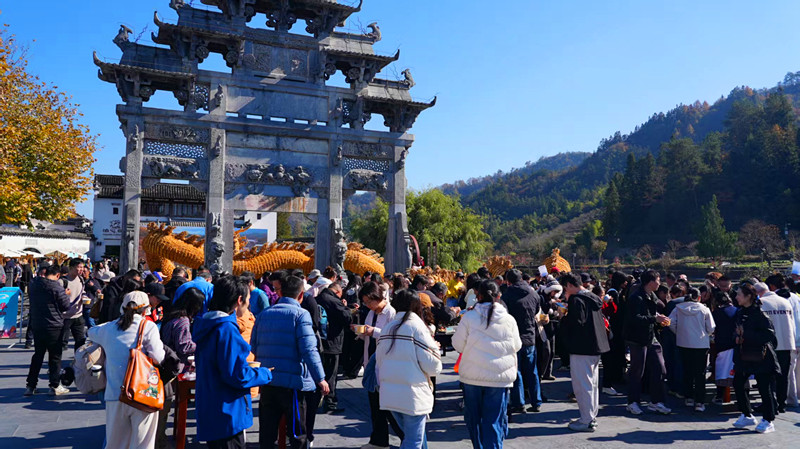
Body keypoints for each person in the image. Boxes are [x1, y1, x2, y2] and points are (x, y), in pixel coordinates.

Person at [192, 275, 273, 448]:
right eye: (248, 300)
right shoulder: (226, 329)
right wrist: (264, 374)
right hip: (227, 411)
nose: (249, 304)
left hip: (211, 406)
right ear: (239, 300)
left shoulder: (207, 324)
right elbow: (236, 375)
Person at [251, 275, 329, 449]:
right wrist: (320, 378)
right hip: (293, 383)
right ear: (300, 295)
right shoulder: (301, 315)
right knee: (296, 433)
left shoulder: (264, 314)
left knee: (267, 434)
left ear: (279, 292)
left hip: (268, 380)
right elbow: (309, 350)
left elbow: (254, 346)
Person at [88, 291, 166, 449]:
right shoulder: (148, 327)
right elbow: (158, 357)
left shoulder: (109, 328)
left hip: (115, 395)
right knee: (143, 444)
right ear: (145, 310)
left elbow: (90, 332)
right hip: (142, 394)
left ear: (122, 308)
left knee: (115, 443)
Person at [453, 280, 521, 447]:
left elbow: (458, 344)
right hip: (499, 378)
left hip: (472, 377)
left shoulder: (469, 317)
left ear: (478, 295)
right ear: (498, 296)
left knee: (474, 420)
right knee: (494, 421)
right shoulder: (509, 319)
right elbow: (517, 345)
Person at [376, 289, 442, 449]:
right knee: (413, 441)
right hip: (413, 394)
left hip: (390, 393)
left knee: (409, 438)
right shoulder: (417, 327)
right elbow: (433, 365)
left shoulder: (388, 327)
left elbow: (380, 361)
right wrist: (435, 350)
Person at [558, 273, 610, 432]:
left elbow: (577, 323)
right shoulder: (593, 298)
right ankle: (591, 416)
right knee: (592, 385)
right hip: (596, 347)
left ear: (568, 285)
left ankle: (586, 420)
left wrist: (562, 317)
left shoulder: (576, 300)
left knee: (582, 385)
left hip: (582, 348)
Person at [357, 281, 401, 449]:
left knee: (389, 407)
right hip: (371, 361)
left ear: (377, 297)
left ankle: (406, 440)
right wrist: (360, 331)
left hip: (385, 364)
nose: (367, 305)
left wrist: (372, 331)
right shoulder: (371, 313)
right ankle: (379, 441)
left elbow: (391, 336)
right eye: (365, 302)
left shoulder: (391, 313)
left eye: (369, 301)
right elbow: (368, 334)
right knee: (375, 406)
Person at [157, 287, 203, 449]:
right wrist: (201, 345)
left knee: (163, 407)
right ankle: (159, 442)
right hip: (172, 366)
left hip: (163, 363)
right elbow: (184, 346)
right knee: (165, 407)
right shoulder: (183, 320)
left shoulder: (172, 315)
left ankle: (158, 439)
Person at [731, 283, 780, 434]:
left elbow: (769, 335)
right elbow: (737, 331)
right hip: (744, 355)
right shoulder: (740, 312)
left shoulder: (759, 314)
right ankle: (747, 414)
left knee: (764, 388)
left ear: (749, 297)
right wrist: (737, 337)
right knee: (738, 382)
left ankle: (768, 419)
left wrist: (745, 335)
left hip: (761, 356)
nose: (737, 297)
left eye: (739, 294)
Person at [624, 269, 671, 415]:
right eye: (658, 280)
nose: (659, 283)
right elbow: (634, 319)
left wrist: (658, 317)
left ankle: (656, 401)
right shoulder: (635, 297)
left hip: (651, 336)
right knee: (637, 371)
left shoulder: (652, 295)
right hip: (637, 338)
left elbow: (650, 314)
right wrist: (654, 319)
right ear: (650, 282)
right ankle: (633, 402)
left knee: (660, 368)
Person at [25, 264, 71, 396]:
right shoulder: (56, 286)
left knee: (38, 355)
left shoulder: (34, 284)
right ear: (57, 275)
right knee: (55, 357)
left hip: (38, 324)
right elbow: (65, 306)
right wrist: (66, 294)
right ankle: (55, 385)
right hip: (54, 325)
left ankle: (30, 385)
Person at [500, 269, 542, 414]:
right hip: (530, 336)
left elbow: (503, 314)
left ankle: (519, 403)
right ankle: (536, 401)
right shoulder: (533, 292)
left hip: (514, 338)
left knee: (516, 372)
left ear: (508, 281)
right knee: (532, 371)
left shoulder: (507, 295)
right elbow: (537, 309)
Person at [668, 288, 715, 412]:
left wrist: (679, 333)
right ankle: (700, 401)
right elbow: (711, 328)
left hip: (683, 343)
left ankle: (689, 397)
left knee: (687, 371)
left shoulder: (678, 308)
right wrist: (706, 333)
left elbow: (670, 323)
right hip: (701, 344)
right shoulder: (704, 309)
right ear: (699, 297)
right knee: (700, 374)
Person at [315, 271, 353, 412]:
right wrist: (345, 307)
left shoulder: (318, 298)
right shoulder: (333, 300)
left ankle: (319, 398)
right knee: (331, 372)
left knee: (322, 371)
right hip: (332, 341)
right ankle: (330, 401)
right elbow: (346, 317)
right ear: (337, 291)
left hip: (320, 340)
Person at [762, 275, 798, 412]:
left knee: (770, 376)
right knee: (785, 376)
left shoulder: (764, 302)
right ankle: (782, 403)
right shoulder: (791, 299)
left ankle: (772, 403)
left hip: (772, 344)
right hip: (788, 341)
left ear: (771, 286)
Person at [711, 291, 738, 405]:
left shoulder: (716, 313)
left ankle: (719, 396)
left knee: (721, 372)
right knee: (737, 373)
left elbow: (712, 329)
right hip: (736, 345)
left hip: (722, 345)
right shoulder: (737, 311)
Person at [61, 258, 87, 352]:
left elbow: (82, 291)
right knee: (62, 343)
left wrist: (84, 297)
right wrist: (64, 294)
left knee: (80, 342)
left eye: (82, 267)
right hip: (65, 316)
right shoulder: (63, 281)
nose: (81, 269)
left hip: (78, 314)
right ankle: (56, 363)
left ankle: (78, 363)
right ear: (71, 268)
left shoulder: (81, 279)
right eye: (79, 267)